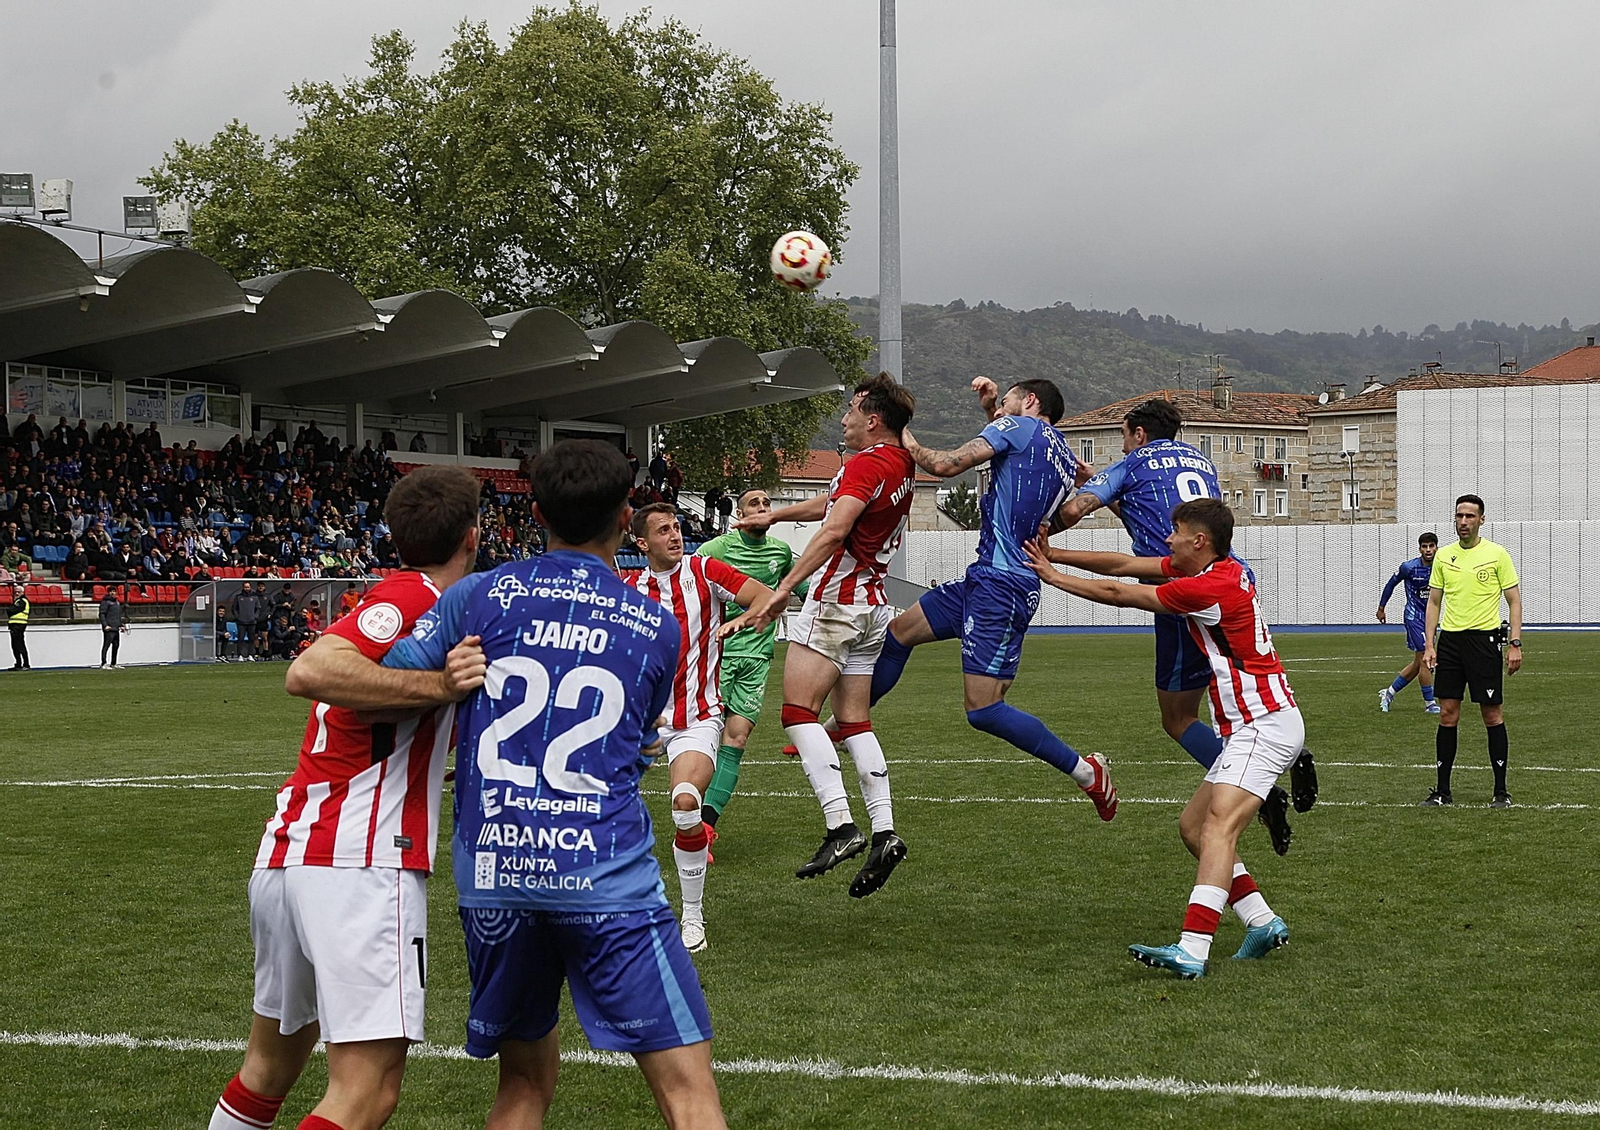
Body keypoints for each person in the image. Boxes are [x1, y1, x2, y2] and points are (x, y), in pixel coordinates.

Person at [383, 440, 729, 1130]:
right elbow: (632, 744)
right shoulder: (656, 627)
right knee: (688, 1093)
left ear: (534, 510)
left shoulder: (476, 596)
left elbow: (394, 677)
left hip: (497, 872)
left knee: (522, 1086)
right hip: (604, 875)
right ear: (628, 517)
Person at [205, 466, 486, 1130]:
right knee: (368, 1089)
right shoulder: (416, 598)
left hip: (298, 851)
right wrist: (443, 691)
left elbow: (376, 724)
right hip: (358, 858)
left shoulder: (404, 599)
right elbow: (311, 670)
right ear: (474, 538)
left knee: (269, 1069)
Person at [1025, 498, 1301, 978]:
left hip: (1264, 723)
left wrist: (1051, 578)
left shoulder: (1207, 587)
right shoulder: (1224, 568)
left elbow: (1119, 591)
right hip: (1255, 726)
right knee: (1194, 829)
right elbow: (1125, 564)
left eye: (1175, 531)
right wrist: (1056, 554)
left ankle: (1193, 949)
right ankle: (1261, 920)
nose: (1167, 539)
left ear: (1199, 540)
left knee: (1218, 830)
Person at [1048, 396, 1311, 850]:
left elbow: (1078, 516)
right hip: (1230, 577)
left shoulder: (1133, 463)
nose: (1124, 447)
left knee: (1178, 717)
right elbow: (1147, 509)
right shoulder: (1198, 459)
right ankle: (1287, 747)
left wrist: (1040, 541)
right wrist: (1097, 481)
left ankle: (1263, 785)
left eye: (1124, 438)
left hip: (1183, 585)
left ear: (1138, 433)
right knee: (1243, 674)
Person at [865, 376, 1116, 818]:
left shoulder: (1020, 429)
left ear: (1030, 401)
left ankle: (1086, 771)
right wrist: (989, 413)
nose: (1000, 408)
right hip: (988, 579)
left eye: (1006, 401)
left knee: (984, 709)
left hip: (1002, 585)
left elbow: (944, 466)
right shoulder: (1061, 453)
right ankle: (844, 726)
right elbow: (1041, 499)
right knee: (899, 633)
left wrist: (900, 430)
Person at [745, 373, 918, 897]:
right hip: (873, 607)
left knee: (797, 714)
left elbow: (836, 528)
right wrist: (774, 516)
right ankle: (885, 833)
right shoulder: (901, 462)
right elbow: (833, 506)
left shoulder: (863, 464)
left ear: (873, 420)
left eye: (850, 410)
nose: (842, 419)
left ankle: (841, 826)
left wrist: (784, 588)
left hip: (836, 604)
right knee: (854, 721)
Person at [626, 502, 776, 952]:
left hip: (695, 718)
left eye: (677, 527)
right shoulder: (628, 586)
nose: (675, 535)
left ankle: (691, 917)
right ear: (641, 543)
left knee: (687, 805)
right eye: (663, 531)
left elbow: (765, 597)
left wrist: (743, 618)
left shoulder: (705, 570)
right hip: (636, 724)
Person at [693, 489, 805, 832]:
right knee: (702, 737)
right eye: (753, 504)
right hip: (717, 656)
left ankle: (707, 826)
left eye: (767, 503)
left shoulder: (781, 552)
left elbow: (806, 589)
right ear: (739, 515)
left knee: (736, 740)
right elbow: (690, 582)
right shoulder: (716, 550)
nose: (761, 508)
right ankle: (685, 817)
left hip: (757, 659)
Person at [1421, 495, 1522, 808]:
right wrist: (1429, 643)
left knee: (1492, 715)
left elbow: (1514, 601)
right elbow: (1434, 602)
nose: (1463, 522)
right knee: (1448, 715)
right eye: (1458, 516)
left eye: (1469, 516)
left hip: (1484, 642)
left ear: (1481, 520)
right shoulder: (1444, 556)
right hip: (1450, 643)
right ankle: (1442, 792)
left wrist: (1515, 643)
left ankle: (1501, 791)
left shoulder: (1496, 554)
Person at [1377, 532, 1441, 714]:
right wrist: (1381, 608)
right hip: (1414, 617)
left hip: (1431, 618)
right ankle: (1430, 704)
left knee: (1418, 663)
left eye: (1431, 546)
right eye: (1424, 546)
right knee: (1426, 659)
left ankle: (1389, 693)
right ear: (1419, 548)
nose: (1428, 550)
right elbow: (1391, 584)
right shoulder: (1409, 567)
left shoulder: (1442, 566)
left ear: (1436, 547)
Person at [231, 583, 262, 662]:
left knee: (251, 639)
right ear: (243, 587)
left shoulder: (254, 597)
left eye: (248, 587)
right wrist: (238, 617)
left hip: (252, 622)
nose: (246, 588)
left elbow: (258, 608)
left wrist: (255, 616)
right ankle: (240, 655)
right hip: (241, 622)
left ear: (250, 587)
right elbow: (234, 608)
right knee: (240, 639)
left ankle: (250, 655)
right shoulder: (238, 597)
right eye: (245, 587)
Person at [98, 587, 124, 668]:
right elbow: (102, 614)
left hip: (116, 628)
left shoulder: (117, 602)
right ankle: (103, 663)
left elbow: (118, 615)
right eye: (111, 591)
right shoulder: (105, 602)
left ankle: (113, 663)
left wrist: (120, 625)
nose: (113, 593)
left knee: (116, 645)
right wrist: (105, 625)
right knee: (106, 645)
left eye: (114, 591)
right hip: (109, 628)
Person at [8, 583, 30, 670]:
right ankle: (19, 664)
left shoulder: (22, 601)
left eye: (19, 592)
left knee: (19, 645)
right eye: (16, 592)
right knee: (15, 646)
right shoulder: (18, 601)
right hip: (15, 625)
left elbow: (11, 611)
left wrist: (10, 610)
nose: (16, 593)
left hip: (18, 625)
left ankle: (25, 664)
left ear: (22, 592)